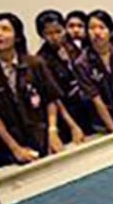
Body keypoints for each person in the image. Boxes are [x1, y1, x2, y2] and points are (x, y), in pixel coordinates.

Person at [0, 13, 63, 168]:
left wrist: (52, 131)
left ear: (17, 36)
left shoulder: (35, 63)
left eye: (5, 29)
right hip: (11, 144)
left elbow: (51, 99)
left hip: (43, 135)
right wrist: (15, 148)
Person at [34, 10, 89, 142]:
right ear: (42, 35)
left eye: (58, 31)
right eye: (49, 33)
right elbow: (54, 97)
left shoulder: (73, 46)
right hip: (67, 111)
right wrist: (73, 125)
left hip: (86, 103)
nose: (54, 37)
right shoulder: (42, 59)